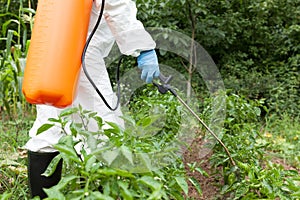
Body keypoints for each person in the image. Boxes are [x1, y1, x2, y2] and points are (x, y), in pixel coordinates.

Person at [25, 0, 160, 198]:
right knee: (105, 129)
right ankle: (97, 193)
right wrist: (143, 49)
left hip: (50, 51)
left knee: (49, 128)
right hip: (80, 51)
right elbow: (117, 5)